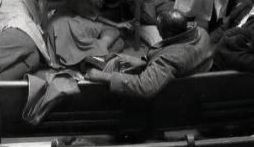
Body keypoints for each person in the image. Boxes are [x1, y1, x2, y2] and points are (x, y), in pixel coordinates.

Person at [84, 10, 212, 99]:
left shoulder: (171, 58)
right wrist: (145, 61)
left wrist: (104, 76)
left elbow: (145, 87)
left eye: (159, 29)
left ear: (168, 33)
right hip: (193, 78)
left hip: (176, 93)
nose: (158, 32)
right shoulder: (200, 32)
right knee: (118, 61)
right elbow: (172, 54)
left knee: (109, 77)